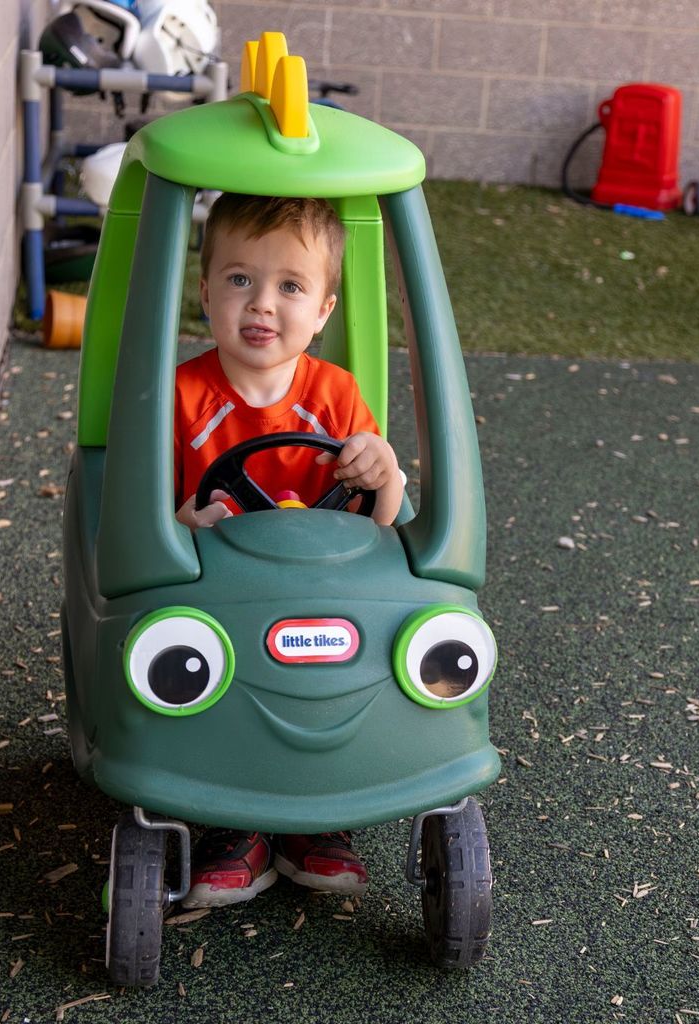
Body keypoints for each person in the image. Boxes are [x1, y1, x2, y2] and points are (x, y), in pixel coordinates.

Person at [175, 193, 403, 909]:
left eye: (290, 286)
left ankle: (318, 820)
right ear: (204, 290)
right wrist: (183, 518)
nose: (261, 305)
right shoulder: (181, 395)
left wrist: (382, 471)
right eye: (239, 279)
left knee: (341, 666)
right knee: (211, 673)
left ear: (324, 308)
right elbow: (146, 518)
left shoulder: (334, 395)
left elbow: (383, 524)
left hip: (321, 592)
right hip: (219, 594)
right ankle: (232, 823)